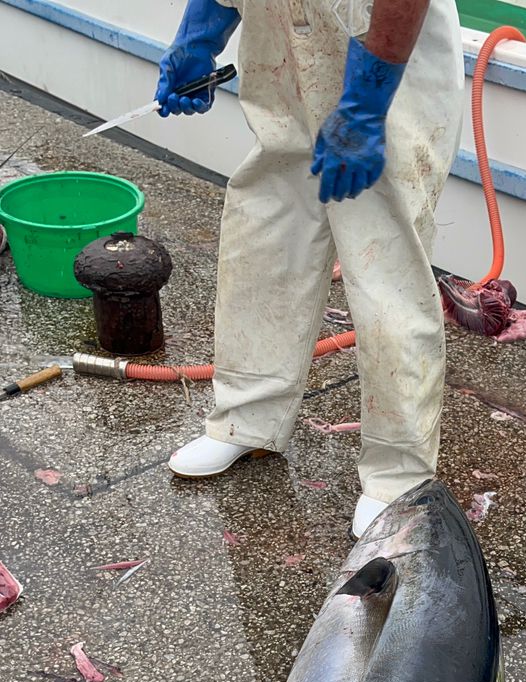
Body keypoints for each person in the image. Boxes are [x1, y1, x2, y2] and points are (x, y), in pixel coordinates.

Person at [160, 0, 464, 537]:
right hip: (282, 43)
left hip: (386, 52)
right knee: (264, 234)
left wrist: (366, 106)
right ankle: (247, 416)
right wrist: (198, 37)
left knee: (385, 259)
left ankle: (398, 473)